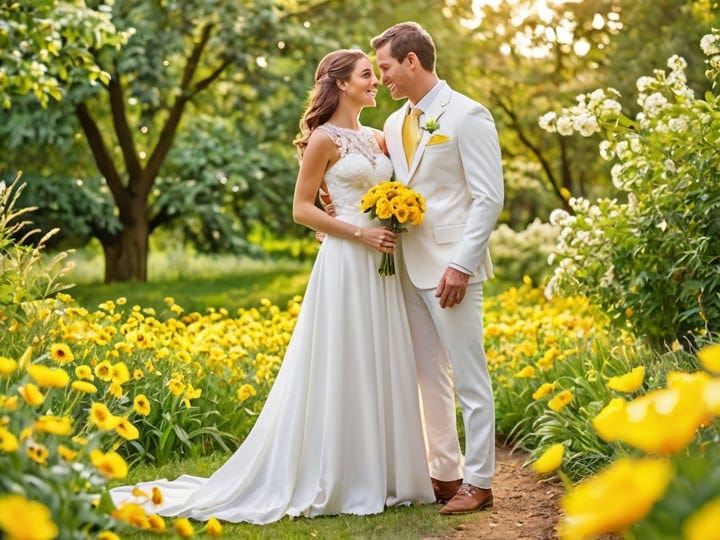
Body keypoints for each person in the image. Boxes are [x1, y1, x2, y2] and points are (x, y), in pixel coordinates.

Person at [109, 49, 435, 524]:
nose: (375, 82)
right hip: (347, 262)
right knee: (345, 359)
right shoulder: (324, 139)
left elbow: (389, 190)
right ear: (341, 84)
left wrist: (392, 217)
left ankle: (387, 474)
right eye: (367, 75)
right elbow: (302, 209)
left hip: (382, 266)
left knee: (379, 356)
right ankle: (342, 474)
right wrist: (360, 231)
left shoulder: (380, 136)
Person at [370, 22, 504, 515]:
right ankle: (445, 476)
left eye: (385, 66)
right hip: (406, 268)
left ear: (411, 61)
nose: (382, 76)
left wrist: (462, 266)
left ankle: (481, 481)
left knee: (469, 377)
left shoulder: (468, 114)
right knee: (429, 377)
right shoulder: (390, 124)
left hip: (452, 270)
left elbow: (489, 198)